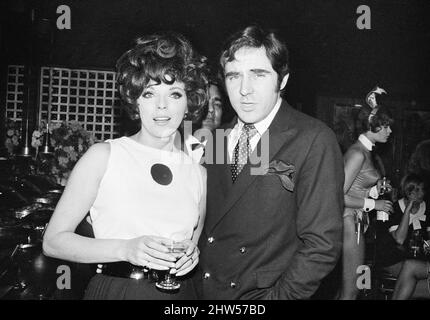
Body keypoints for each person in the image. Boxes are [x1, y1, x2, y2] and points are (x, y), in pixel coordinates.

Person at [42, 32, 208, 300]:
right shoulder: (104, 156)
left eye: (175, 94)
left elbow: (191, 242)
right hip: (118, 290)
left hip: (181, 295)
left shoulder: (198, 173)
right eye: (150, 93)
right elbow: (53, 241)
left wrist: (192, 254)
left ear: (189, 103)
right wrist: (125, 249)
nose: (162, 106)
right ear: (135, 99)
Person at [194, 25, 344, 300]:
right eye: (233, 76)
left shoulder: (312, 138)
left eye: (258, 75)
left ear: (282, 80)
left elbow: (322, 243)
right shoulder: (214, 139)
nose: (244, 90)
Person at [339, 86, 394, 300]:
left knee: (355, 285)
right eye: (387, 126)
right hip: (349, 222)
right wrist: (375, 205)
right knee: (351, 289)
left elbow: (356, 186)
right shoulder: (357, 153)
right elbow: (337, 196)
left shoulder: (366, 151)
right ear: (375, 125)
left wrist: (374, 189)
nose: (390, 132)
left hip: (357, 222)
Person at [388, 175, 430, 299]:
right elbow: (399, 239)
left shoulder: (427, 208)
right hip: (397, 259)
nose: (421, 193)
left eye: (422, 189)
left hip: (421, 261)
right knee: (409, 279)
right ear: (408, 192)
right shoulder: (394, 208)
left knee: (408, 284)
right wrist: (407, 211)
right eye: (417, 190)